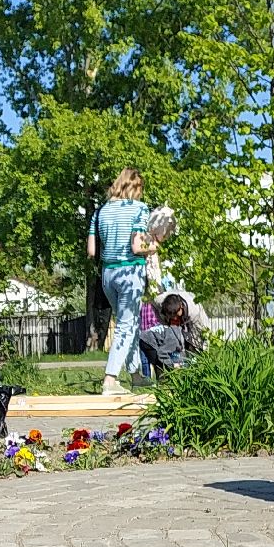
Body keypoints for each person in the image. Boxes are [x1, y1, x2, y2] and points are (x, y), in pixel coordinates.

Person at [87, 168, 152, 396]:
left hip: (108, 275)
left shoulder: (100, 212)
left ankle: (135, 375)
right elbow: (138, 247)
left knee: (129, 323)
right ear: (134, 188)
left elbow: (92, 250)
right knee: (126, 326)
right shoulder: (140, 210)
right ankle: (110, 379)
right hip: (130, 273)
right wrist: (154, 246)